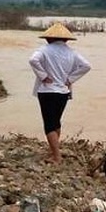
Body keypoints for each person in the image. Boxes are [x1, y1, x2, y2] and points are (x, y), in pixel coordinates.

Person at [29, 22, 91, 163]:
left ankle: (57, 156)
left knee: (49, 124)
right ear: (66, 39)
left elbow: (33, 60)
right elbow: (86, 66)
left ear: (48, 38)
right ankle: (54, 151)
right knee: (56, 122)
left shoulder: (44, 50)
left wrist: (43, 76)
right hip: (63, 91)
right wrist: (70, 79)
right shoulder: (71, 52)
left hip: (48, 91)